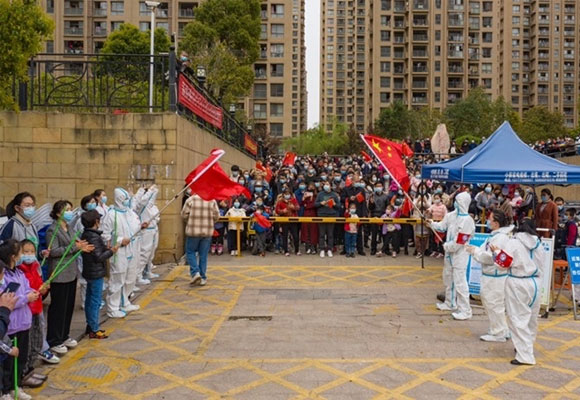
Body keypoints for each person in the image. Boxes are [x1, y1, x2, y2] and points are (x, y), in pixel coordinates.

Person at [46, 201, 94, 355]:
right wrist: (75, 247)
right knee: (58, 308)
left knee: (68, 307)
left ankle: (64, 335)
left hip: (71, 272)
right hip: (60, 273)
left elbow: (75, 242)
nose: (69, 212)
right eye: (66, 210)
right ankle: (54, 340)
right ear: (58, 213)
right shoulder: (52, 230)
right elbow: (54, 251)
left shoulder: (70, 227)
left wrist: (81, 245)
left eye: (70, 209)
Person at [492, 219, 542, 365]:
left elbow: (503, 264)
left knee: (517, 319)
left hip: (517, 281)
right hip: (535, 282)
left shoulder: (513, 242)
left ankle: (525, 356)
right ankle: (526, 346)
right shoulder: (538, 243)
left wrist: (496, 252)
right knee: (531, 319)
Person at [0, 239, 38, 399]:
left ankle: (17, 386)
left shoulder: (20, 273)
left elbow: (26, 288)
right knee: (8, 362)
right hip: (11, 326)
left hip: (24, 323)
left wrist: (32, 293)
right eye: (21, 252)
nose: (23, 255)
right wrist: (25, 298)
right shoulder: (4, 277)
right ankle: (5, 390)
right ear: (13, 256)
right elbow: (6, 300)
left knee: (21, 358)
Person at [467, 210, 513, 342]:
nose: (488, 221)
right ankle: (502, 329)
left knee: (493, 304)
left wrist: (475, 251)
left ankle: (498, 332)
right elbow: (484, 250)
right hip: (491, 275)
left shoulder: (500, 238)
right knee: (495, 304)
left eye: (490, 219)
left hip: (495, 276)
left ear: (496, 223)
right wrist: (474, 250)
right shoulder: (494, 236)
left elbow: (490, 257)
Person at [430, 191, 475, 320]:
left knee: (460, 282)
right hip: (449, 255)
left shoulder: (468, 221)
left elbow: (460, 241)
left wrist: (448, 246)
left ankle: (465, 310)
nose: (455, 203)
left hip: (460, 255)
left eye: (458, 201)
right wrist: (432, 223)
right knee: (448, 278)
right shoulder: (451, 216)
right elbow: (442, 226)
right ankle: (449, 303)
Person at [101, 188, 144, 318]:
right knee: (117, 278)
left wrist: (141, 227)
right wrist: (120, 240)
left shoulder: (130, 213)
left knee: (130, 277)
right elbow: (105, 235)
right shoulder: (111, 215)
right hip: (119, 251)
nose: (127, 201)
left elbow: (135, 227)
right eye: (125, 199)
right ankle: (113, 307)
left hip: (133, 248)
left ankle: (125, 302)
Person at [81, 210, 119, 339]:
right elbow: (98, 257)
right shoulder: (93, 236)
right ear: (96, 222)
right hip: (95, 272)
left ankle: (91, 325)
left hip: (90, 271)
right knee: (95, 301)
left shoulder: (87, 234)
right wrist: (112, 251)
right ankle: (94, 329)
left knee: (90, 299)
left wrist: (105, 248)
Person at [18, 240, 51, 386]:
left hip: (37, 308)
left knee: (37, 341)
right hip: (26, 312)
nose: (29, 254)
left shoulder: (36, 267)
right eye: (26, 252)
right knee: (27, 344)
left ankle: (30, 369)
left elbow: (38, 287)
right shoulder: (19, 271)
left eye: (32, 251)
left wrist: (44, 288)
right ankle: (24, 373)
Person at [180, 192, 220, 286]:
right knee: (203, 255)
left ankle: (195, 272)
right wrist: (209, 222)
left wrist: (190, 221)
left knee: (190, 252)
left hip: (193, 231)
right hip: (207, 232)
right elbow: (216, 216)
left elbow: (183, 215)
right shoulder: (212, 200)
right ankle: (203, 277)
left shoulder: (190, 200)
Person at [133, 185, 160, 284]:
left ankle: (147, 271)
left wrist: (155, 191)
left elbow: (151, 201)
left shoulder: (149, 206)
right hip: (145, 231)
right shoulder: (140, 206)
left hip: (153, 230)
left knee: (150, 253)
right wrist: (149, 191)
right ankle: (138, 276)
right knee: (144, 254)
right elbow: (143, 201)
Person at [315, 182, 340, 258]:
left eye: (328, 184)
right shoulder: (320, 194)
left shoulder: (334, 195)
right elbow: (315, 204)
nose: (326, 186)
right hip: (321, 215)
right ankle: (322, 249)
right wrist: (320, 203)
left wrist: (334, 204)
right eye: (325, 184)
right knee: (322, 234)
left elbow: (339, 206)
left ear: (331, 186)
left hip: (331, 215)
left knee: (330, 234)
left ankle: (329, 249)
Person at [275, 187, 300, 256]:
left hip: (293, 220)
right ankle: (286, 250)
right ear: (283, 194)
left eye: (288, 193)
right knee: (285, 236)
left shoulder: (294, 200)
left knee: (295, 236)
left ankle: (297, 250)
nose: (287, 195)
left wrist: (293, 207)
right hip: (284, 221)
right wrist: (282, 211)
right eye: (286, 193)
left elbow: (298, 207)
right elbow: (277, 210)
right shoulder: (280, 201)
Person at [368, 182, 388, 256]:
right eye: (377, 186)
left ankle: (386, 249)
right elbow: (370, 208)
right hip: (374, 216)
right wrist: (371, 203)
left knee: (384, 233)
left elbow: (388, 207)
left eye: (380, 186)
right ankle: (373, 249)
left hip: (383, 216)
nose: (379, 187)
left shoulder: (385, 196)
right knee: (374, 234)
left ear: (382, 187)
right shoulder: (372, 196)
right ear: (375, 187)